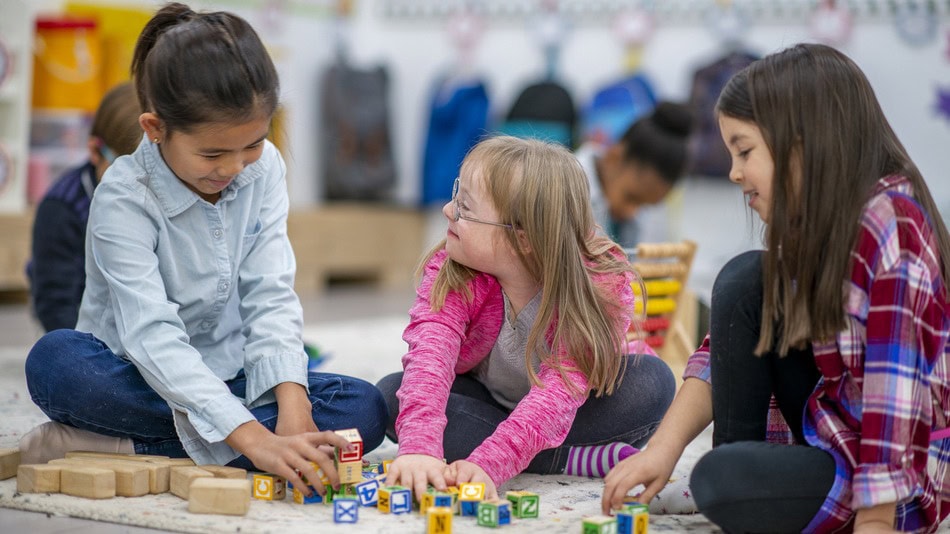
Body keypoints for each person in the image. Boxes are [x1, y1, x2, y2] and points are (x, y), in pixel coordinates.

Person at [19, 2, 387, 495]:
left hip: (229, 375)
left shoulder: (265, 168)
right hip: (133, 375)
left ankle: (120, 446)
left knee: (364, 408)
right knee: (56, 363)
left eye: (252, 143)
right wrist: (256, 439)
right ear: (154, 129)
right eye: (213, 153)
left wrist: (294, 414)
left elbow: (271, 296)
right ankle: (226, 443)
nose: (235, 167)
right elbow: (152, 339)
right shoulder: (124, 195)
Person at [601, 43, 950, 533]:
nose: (734, 172)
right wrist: (662, 450)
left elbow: (894, 401)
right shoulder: (812, 229)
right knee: (746, 280)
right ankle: (735, 479)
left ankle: (734, 486)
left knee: (723, 480)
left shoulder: (891, 223)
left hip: (893, 482)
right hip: (830, 435)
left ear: (802, 142)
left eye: (744, 151)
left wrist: (874, 522)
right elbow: (719, 350)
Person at [376, 135, 676, 500]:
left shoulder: (602, 284)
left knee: (653, 383)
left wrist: (491, 462)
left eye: (465, 208)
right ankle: (572, 460)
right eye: (457, 195)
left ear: (524, 237)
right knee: (393, 394)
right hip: (486, 400)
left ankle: (541, 454)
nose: (448, 211)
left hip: (574, 410)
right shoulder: (454, 269)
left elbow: (559, 395)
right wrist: (420, 449)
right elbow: (430, 357)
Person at [27, 81, 141, 333]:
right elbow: (54, 303)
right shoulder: (63, 208)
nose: (138, 186)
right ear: (95, 151)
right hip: (82, 329)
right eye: (126, 171)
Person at [575, 101, 693, 249]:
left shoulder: (650, 210)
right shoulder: (563, 192)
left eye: (645, 205)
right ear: (614, 157)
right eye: (631, 198)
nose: (632, 212)